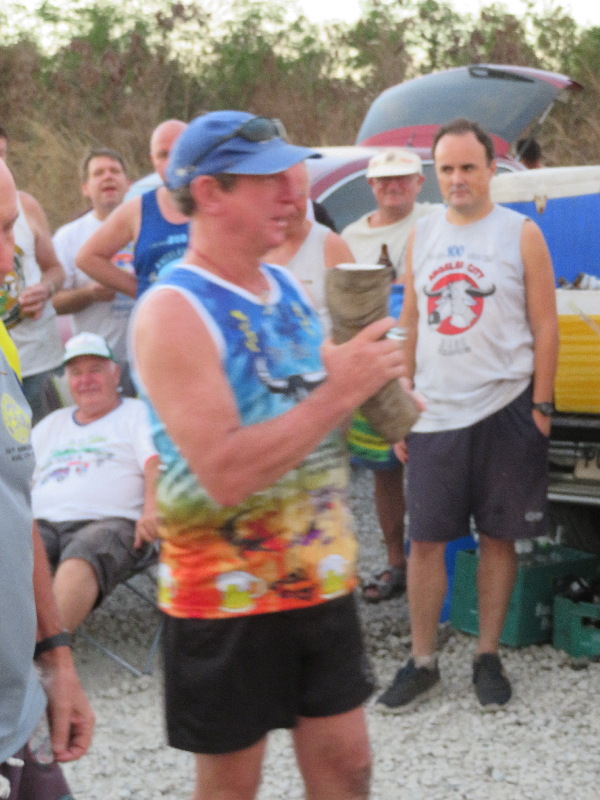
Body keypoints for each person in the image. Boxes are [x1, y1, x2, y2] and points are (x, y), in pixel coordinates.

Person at [132, 110, 406, 800]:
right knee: (232, 787)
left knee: (348, 767)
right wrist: (341, 389)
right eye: (270, 180)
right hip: (224, 596)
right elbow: (225, 472)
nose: (294, 194)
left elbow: (316, 404)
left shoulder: (283, 287)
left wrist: (378, 387)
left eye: (294, 176)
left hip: (318, 578)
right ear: (211, 192)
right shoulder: (173, 310)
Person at [378, 118, 558, 712]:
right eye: (447, 169)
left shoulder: (520, 233)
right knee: (426, 539)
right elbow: (408, 322)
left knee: (499, 538)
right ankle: (422, 660)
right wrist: (400, 403)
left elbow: (546, 325)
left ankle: (487, 654)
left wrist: (541, 406)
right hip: (435, 413)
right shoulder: (423, 235)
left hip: (507, 407)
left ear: (490, 170)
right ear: (436, 173)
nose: (457, 178)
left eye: (468, 167)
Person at [0, 157, 94, 800]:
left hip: (17, 714)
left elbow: (15, 504)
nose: (12, 259)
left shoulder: (3, 344)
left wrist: (56, 654)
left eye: (13, 231)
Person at [341, 149, 440, 603]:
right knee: (385, 471)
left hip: (430, 362)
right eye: (384, 180)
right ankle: (395, 563)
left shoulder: (436, 220)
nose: (393, 186)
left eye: (403, 178)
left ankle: (436, 565)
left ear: (420, 182)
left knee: (432, 464)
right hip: (376, 367)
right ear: (371, 185)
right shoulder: (351, 236)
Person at [31, 331, 160, 633]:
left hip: (112, 522)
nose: (85, 380)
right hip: (43, 523)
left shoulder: (136, 413)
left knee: (87, 549)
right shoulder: (52, 424)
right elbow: (16, 478)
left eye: (95, 369)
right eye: (76, 373)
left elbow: (155, 464)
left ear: (115, 374)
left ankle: (44, 653)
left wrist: (152, 510)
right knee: (13, 550)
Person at [52, 148, 136, 394]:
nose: (108, 177)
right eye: (98, 173)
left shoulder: (147, 227)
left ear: (128, 183)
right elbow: (53, 304)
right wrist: (89, 293)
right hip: (100, 362)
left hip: (151, 354)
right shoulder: (68, 237)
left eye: (114, 171)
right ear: (85, 188)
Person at [76, 119, 188, 298]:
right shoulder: (138, 209)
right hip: (159, 313)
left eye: (179, 152)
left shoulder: (218, 200)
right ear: (153, 160)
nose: (171, 163)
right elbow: (87, 258)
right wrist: (142, 291)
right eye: (163, 155)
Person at [0, 126, 65, 424]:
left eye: (2, 155)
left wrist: (45, 289)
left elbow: (56, 269)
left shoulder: (26, 206)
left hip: (39, 360)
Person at [264, 160, 354, 331]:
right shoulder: (248, 247)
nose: (290, 207)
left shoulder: (329, 246)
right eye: (282, 199)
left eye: (299, 196)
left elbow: (354, 324)